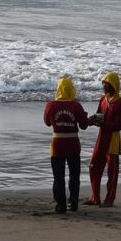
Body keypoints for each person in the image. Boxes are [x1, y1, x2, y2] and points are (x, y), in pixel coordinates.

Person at [43, 76, 89, 213]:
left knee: (58, 177)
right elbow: (84, 125)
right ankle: (73, 203)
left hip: (57, 145)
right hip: (73, 144)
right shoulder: (76, 106)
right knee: (74, 176)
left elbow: (47, 123)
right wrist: (84, 115)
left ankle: (60, 205)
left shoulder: (50, 105)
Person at [85, 71, 121, 208]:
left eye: (107, 84)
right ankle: (95, 198)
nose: (104, 87)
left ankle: (109, 199)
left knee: (112, 173)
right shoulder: (103, 99)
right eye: (103, 84)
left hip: (112, 141)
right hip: (101, 139)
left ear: (114, 86)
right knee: (93, 166)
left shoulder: (120, 103)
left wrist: (106, 124)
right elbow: (99, 115)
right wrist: (91, 120)